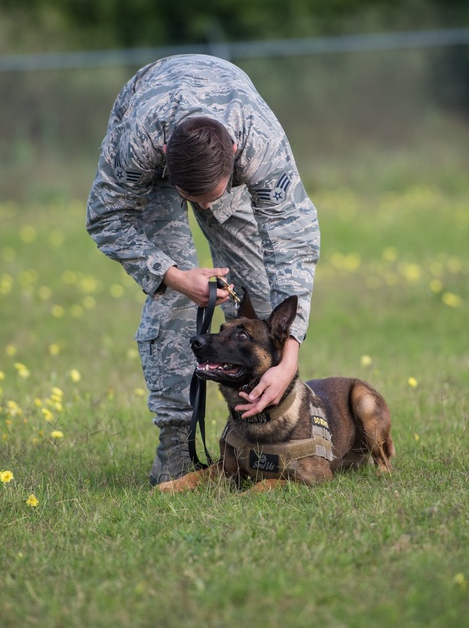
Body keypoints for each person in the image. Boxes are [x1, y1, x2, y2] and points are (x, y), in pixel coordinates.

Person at [86, 54, 320, 486]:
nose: (205, 210)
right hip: (151, 144)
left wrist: (288, 360)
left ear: (234, 154)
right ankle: (175, 448)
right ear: (162, 158)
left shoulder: (259, 141)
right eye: (194, 198)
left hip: (227, 139)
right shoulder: (139, 144)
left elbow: (293, 241)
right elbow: (106, 218)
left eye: (211, 197)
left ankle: (260, 439)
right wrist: (173, 275)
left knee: (263, 305)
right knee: (175, 298)